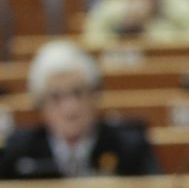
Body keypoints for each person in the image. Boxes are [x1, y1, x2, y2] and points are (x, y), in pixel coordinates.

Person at [0, 41, 160, 180]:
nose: (70, 107)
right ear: (40, 105)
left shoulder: (130, 145)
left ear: (95, 96)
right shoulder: (18, 151)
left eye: (78, 93)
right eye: (56, 97)